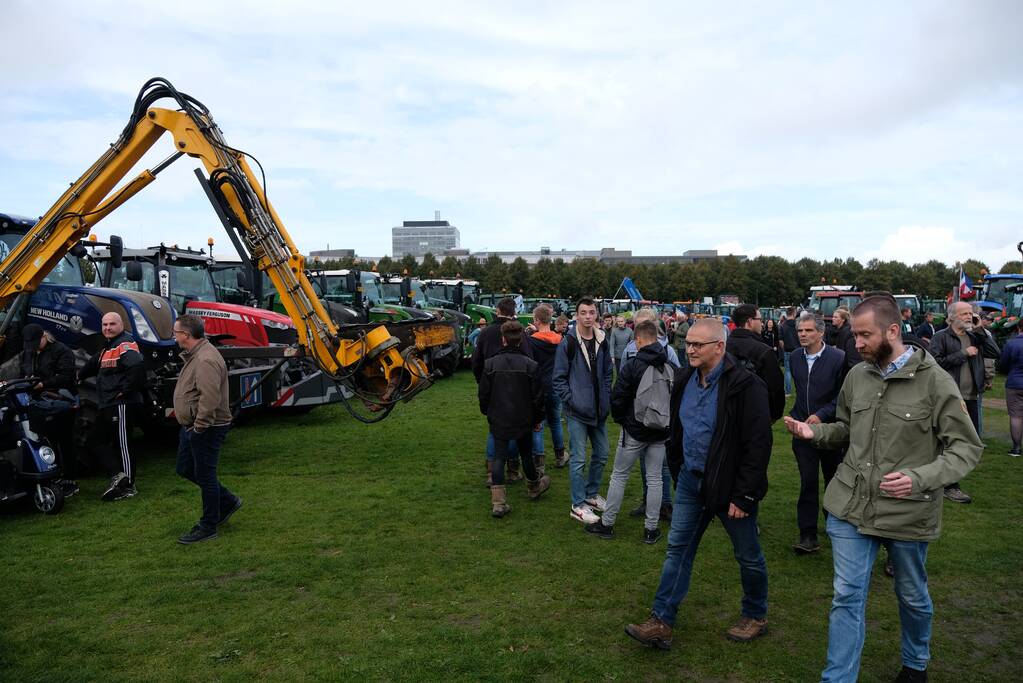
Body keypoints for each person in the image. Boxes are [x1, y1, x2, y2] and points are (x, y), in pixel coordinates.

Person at [784, 294, 983, 682]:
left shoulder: (936, 382)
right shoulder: (858, 375)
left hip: (907, 510)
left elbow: (966, 448)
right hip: (850, 506)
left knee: (911, 596)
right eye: (855, 335)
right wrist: (816, 431)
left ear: (893, 331)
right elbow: (845, 427)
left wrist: (919, 477)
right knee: (846, 596)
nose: (855, 344)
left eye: (864, 335)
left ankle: (915, 663)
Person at [625, 318, 772, 649]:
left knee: (747, 555)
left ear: (719, 346)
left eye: (697, 345)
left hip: (732, 488)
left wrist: (745, 494)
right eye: (687, 343)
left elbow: (758, 444)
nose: (689, 349)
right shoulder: (685, 378)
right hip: (692, 484)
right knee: (678, 551)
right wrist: (678, 469)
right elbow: (678, 430)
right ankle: (661, 621)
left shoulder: (745, 385)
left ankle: (755, 615)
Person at [585, 321, 671, 544]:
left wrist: (622, 420)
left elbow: (618, 396)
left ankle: (608, 523)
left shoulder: (633, 365)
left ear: (639, 340)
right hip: (661, 431)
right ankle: (651, 529)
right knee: (655, 480)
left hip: (634, 430)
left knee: (619, 476)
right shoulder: (670, 364)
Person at [172, 314, 242, 545]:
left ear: (186, 335)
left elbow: (209, 399)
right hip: (193, 425)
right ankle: (228, 501)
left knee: (205, 475)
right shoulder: (196, 355)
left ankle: (208, 525)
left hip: (205, 428)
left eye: (176, 332)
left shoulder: (205, 359)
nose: (174, 336)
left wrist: (199, 427)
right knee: (185, 468)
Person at [929, 301, 999, 504]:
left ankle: (947, 481)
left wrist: (980, 329)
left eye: (971, 313)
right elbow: (934, 363)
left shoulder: (976, 336)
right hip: (949, 396)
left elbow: (996, 353)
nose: (970, 316)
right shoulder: (941, 337)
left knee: (968, 439)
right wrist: (962, 354)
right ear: (952, 316)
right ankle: (949, 485)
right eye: (965, 313)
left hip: (971, 397)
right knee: (947, 439)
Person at [478, 321, 550, 517]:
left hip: (500, 417)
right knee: (525, 454)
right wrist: (537, 418)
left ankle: (499, 503)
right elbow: (538, 397)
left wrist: (488, 412)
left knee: (500, 457)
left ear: (503, 340)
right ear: (520, 341)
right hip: (522, 417)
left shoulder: (491, 364)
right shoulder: (530, 365)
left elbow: (483, 394)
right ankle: (534, 486)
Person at [788, 312, 846, 554]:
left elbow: (843, 396)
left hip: (831, 432)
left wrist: (822, 415)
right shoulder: (794, 358)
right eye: (800, 330)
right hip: (802, 432)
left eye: (808, 330)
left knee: (834, 482)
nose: (802, 334)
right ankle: (808, 534)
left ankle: (837, 528)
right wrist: (798, 418)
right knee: (808, 482)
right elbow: (801, 392)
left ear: (821, 332)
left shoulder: (838, 358)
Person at [552, 296, 613, 525]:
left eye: (591, 312)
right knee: (578, 460)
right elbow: (558, 379)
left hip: (599, 410)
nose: (588, 316)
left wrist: (605, 397)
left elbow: (608, 373)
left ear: (596, 314)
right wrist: (572, 401)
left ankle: (590, 494)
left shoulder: (602, 339)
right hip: (577, 412)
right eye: (584, 312)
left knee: (602, 453)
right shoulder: (567, 342)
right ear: (576, 315)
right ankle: (577, 505)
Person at [79, 312, 147, 502]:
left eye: (112, 324)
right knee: (94, 440)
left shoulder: (125, 344)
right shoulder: (107, 347)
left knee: (123, 444)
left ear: (121, 325)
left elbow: (137, 369)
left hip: (121, 404)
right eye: (104, 324)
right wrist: (78, 376)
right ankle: (117, 475)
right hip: (108, 403)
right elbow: (93, 364)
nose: (107, 328)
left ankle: (129, 487)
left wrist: (124, 391)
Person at [621, 308, 681, 519]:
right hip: (638, 418)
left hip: (661, 417)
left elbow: (677, 381)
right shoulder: (630, 349)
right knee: (645, 466)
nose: (641, 327)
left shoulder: (668, 351)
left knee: (662, 466)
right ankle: (648, 502)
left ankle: (665, 504)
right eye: (638, 324)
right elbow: (622, 381)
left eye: (645, 323)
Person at [472, 298, 534, 485]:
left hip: (492, 384)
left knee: (496, 431)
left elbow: (476, 362)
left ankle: (492, 473)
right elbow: (529, 358)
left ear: (498, 311)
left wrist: (482, 383)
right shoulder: (519, 331)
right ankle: (513, 470)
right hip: (518, 385)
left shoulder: (486, 332)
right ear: (514, 311)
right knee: (516, 430)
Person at [19, 324, 79, 496]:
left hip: (62, 400)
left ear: (44, 336)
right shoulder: (29, 353)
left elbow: (67, 377)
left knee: (65, 440)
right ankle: (52, 474)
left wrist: (43, 384)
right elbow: (24, 371)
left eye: (37, 343)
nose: (34, 347)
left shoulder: (62, 351)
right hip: (39, 403)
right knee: (46, 439)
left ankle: (69, 479)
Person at [726, 304, 785, 422]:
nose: (762, 323)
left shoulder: (722, 346)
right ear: (750, 321)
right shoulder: (764, 351)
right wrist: (773, 415)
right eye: (760, 319)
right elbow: (776, 389)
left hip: (727, 413)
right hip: (756, 415)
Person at [526, 304, 566, 469]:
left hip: (538, 387)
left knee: (538, 425)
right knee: (555, 421)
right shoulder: (561, 340)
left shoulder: (531, 341)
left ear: (536, 320)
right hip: (556, 385)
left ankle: (539, 463)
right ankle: (560, 456)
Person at [997, 317, 1023, 456]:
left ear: (1018, 328)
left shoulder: (1012, 344)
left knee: (1016, 416)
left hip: (1014, 383)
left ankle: (1016, 448)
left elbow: (1002, 365)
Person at [780, 306, 799, 394]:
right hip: (799, 350)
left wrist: (784, 349)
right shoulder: (798, 324)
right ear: (794, 313)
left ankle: (788, 391)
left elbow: (781, 341)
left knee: (787, 371)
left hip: (787, 350)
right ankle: (800, 389)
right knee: (799, 370)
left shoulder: (783, 325)